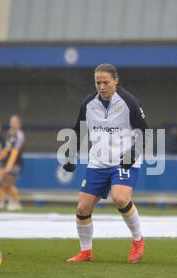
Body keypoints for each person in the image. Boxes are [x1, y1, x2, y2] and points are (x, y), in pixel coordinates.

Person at [63, 63, 148, 263]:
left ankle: (138, 240)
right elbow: (78, 130)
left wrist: (132, 154)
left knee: (119, 198)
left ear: (116, 81)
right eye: (97, 82)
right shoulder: (89, 103)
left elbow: (144, 132)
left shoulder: (129, 102)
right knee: (83, 208)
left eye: (105, 82)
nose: (101, 87)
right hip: (98, 163)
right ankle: (86, 252)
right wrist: (70, 154)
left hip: (124, 162)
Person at [0, 115, 25, 211]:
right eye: (12, 122)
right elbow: (6, 148)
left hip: (15, 162)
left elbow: (15, 150)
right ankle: (4, 200)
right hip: (6, 161)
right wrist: (0, 158)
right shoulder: (7, 134)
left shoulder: (20, 134)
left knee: (9, 183)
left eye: (15, 122)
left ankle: (16, 202)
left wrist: (9, 165)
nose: (13, 124)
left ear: (19, 124)